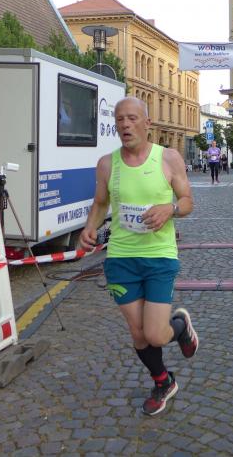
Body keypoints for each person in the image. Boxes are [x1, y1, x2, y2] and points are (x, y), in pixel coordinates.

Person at [78, 97, 198, 416]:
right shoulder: (107, 164)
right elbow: (100, 203)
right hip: (121, 258)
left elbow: (187, 200)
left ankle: (180, 326)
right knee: (138, 333)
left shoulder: (168, 158)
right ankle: (163, 382)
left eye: (132, 118)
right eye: (120, 119)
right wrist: (89, 228)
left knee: (155, 334)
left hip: (159, 256)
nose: (125, 125)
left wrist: (170, 208)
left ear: (147, 123)